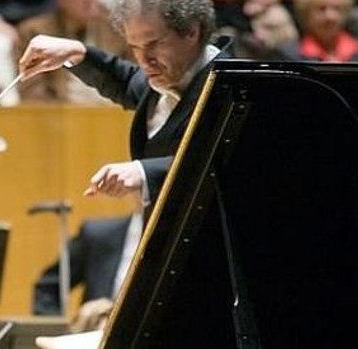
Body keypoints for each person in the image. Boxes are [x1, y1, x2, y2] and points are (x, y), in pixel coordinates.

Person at [18, 0, 227, 202]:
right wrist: (76, 53)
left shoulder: (234, 88)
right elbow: (127, 82)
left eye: (154, 44)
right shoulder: (167, 73)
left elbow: (222, 160)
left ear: (192, 32)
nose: (144, 61)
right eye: (135, 47)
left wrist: (144, 172)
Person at [278, 0, 358, 61]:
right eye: (321, 9)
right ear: (306, 14)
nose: (330, 17)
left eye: (337, 9)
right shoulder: (288, 55)